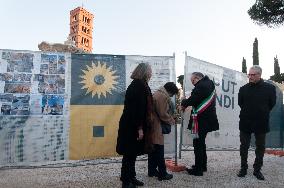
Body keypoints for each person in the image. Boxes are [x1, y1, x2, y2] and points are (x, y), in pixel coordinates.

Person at [116, 63, 154, 188]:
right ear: (144, 72)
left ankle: (131, 177)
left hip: (133, 124)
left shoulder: (141, 85)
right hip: (132, 126)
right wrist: (139, 128)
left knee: (132, 153)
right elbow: (135, 110)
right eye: (149, 70)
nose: (151, 73)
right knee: (129, 154)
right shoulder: (138, 86)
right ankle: (126, 182)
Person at [237, 65, 276, 180]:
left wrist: (261, 111)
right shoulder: (243, 89)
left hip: (261, 121)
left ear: (259, 75)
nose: (250, 76)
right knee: (244, 146)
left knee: (260, 147)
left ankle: (257, 169)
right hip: (245, 121)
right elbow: (241, 103)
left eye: (253, 75)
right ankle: (243, 168)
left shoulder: (269, 88)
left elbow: (271, 104)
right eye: (249, 74)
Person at [180, 72, 219, 176]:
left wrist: (183, 102)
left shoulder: (201, 85)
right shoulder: (209, 83)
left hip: (201, 120)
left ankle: (198, 170)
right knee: (201, 143)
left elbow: (194, 99)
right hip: (206, 119)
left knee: (198, 144)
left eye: (193, 81)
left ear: (197, 78)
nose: (193, 83)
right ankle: (202, 165)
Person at [148, 82, 179, 181]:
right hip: (157, 125)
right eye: (172, 94)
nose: (172, 96)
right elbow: (163, 114)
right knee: (159, 150)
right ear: (170, 91)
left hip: (153, 124)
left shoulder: (157, 93)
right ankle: (162, 173)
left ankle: (152, 171)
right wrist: (171, 120)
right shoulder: (163, 96)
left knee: (153, 150)